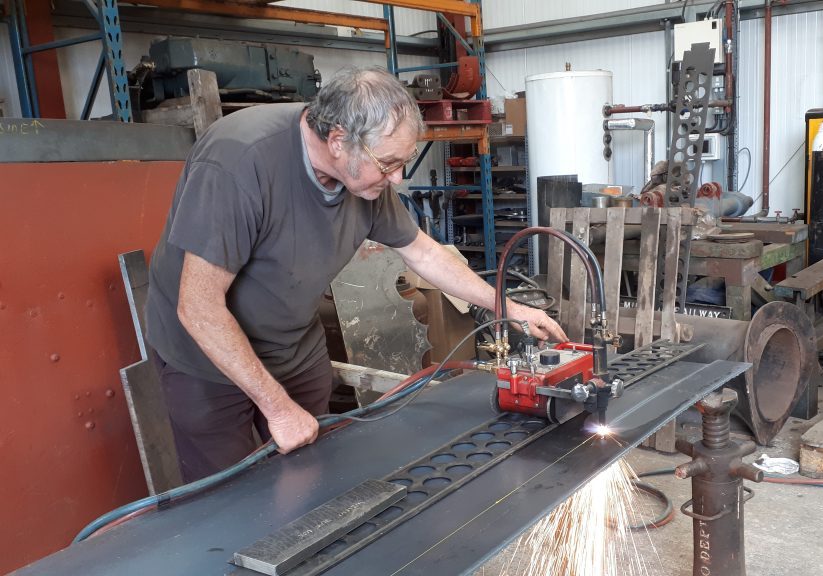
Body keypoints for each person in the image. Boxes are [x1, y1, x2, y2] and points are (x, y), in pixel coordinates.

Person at [145, 67, 566, 483]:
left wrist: (506, 306)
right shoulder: (239, 161)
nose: (397, 179)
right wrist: (277, 408)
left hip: (293, 346)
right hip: (208, 360)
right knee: (229, 502)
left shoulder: (364, 174)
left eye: (402, 164)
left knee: (310, 479)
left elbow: (422, 252)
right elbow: (198, 307)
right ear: (338, 140)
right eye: (388, 165)